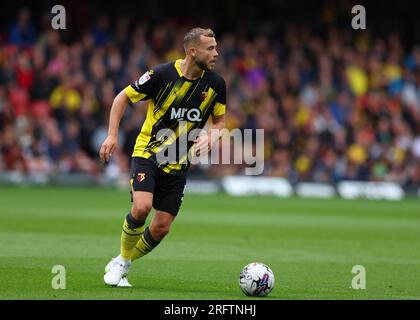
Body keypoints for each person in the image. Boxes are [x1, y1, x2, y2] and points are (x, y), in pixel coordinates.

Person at [100, 27, 226, 287]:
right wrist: (112, 135)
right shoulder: (161, 74)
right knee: (142, 207)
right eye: (210, 48)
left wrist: (212, 136)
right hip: (148, 152)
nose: (216, 53)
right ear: (193, 51)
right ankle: (123, 260)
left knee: (161, 227)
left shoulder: (216, 84)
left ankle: (124, 261)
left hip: (179, 161)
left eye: (215, 48)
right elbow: (122, 98)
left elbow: (220, 121)